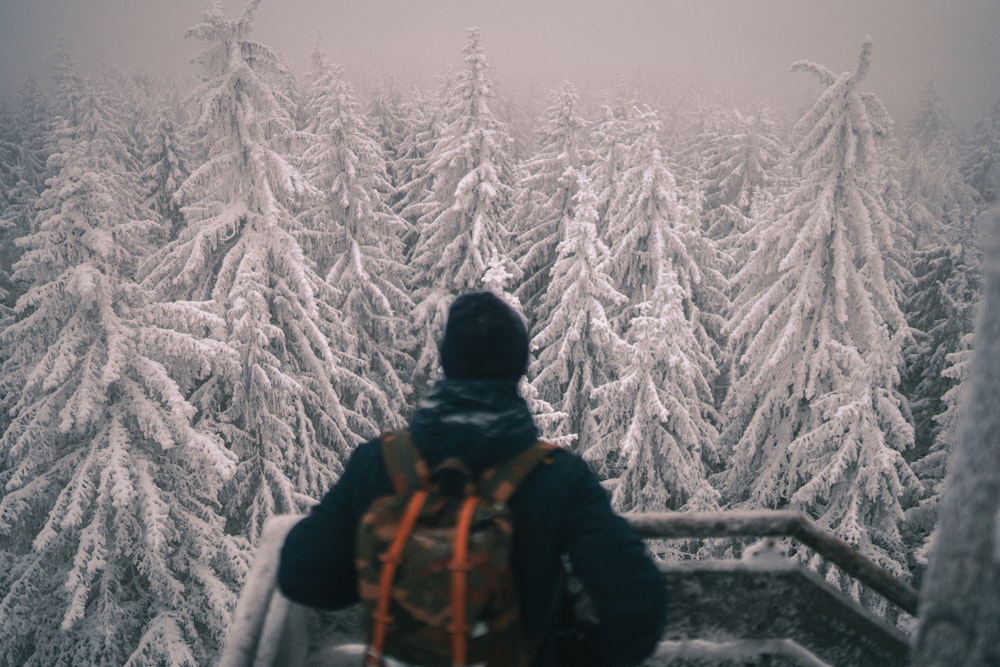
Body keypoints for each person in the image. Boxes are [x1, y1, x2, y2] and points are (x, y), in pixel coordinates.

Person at [278, 289, 668, 666]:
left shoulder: (377, 463)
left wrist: (396, 579)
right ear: (519, 367)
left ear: (447, 364)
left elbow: (302, 574)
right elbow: (637, 604)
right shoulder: (559, 478)